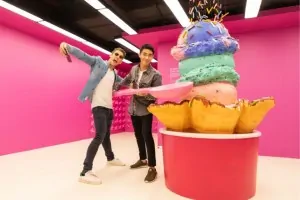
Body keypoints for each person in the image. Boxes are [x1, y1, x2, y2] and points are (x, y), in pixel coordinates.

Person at [59, 42, 126, 185]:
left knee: (106, 135)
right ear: (111, 55)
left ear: (120, 61)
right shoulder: (97, 62)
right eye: (116, 54)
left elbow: (127, 82)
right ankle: (85, 170)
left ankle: (110, 158)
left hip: (109, 109)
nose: (117, 57)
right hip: (98, 106)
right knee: (99, 136)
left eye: (120, 57)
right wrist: (68, 47)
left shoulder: (115, 74)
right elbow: (82, 55)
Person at [118, 44, 162, 183]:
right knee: (138, 135)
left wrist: (143, 94)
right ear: (140, 54)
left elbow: (156, 95)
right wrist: (116, 86)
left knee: (147, 136)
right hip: (134, 109)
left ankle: (152, 167)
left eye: (150, 55)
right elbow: (126, 81)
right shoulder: (134, 69)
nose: (147, 57)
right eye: (145, 54)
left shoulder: (156, 75)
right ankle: (143, 159)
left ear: (152, 57)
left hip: (145, 110)